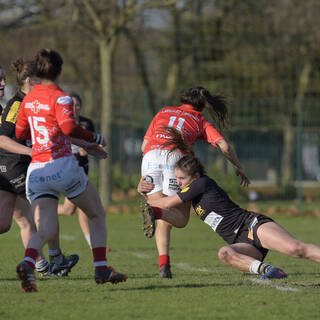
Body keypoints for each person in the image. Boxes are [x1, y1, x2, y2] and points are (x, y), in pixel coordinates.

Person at [138, 128, 320, 280]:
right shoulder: (189, 192)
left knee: (295, 249)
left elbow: (167, 203)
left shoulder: (199, 184)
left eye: (181, 178)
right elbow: (177, 218)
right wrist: (147, 196)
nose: (177, 182)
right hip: (239, 241)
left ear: (195, 176)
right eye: (176, 178)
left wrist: (145, 195)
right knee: (224, 254)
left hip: (251, 226)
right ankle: (269, 271)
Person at [15, 49, 127, 292]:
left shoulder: (28, 100)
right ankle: (101, 267)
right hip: (61, 166)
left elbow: (20, 133)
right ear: (59, 69)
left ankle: (27, 263)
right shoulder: (61, 97)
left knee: (45, 228)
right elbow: (67, 127)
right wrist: (95, 137)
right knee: (96, 212)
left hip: (36, 171)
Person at [140, 86, 250, 278]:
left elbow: (144, 145)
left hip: (149, 157)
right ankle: (154, 214)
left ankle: (164, 266)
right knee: (179, 219)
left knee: (163, 215)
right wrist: (238, 166)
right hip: (175, 159)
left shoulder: (164, 111)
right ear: (203, 105)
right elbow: (224, 146)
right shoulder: (199, 120)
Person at [0, 59, 79, 276]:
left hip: (10, 166)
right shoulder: (18, 105)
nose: (2, 83)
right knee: (46, 208)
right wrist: (30, 151)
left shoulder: (32, 102)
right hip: (16, 165)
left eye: (3, 79)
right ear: (29, 80)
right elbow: (3, 138)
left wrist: (86, 143)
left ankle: (45, 265)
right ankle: (56, 259)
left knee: (12, 222)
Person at [57, 92, 110, 252]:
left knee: (77, 209)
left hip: (83, 168)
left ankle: (92, 244)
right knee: (73, 209)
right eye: (71, 105)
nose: (75, 108)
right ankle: (37, 208)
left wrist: (92, 148)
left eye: (77, 105)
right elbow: (62, 142)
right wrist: (78, 149)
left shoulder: (87, 123)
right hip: (69, 169)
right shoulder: (62, 123)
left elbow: (91, 142)